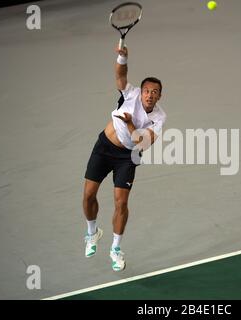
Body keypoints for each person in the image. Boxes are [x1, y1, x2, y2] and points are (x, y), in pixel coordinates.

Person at [82, 44, 166, 271]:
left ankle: (115, 249)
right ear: (142, 91)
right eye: (147, 90)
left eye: (155, 92)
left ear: (159, 96)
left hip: (127, 157)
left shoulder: (159, 117)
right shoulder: (131, 93)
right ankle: (92, 233)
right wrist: (122, 57)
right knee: (89, 195)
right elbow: (120, 76)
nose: (150, 95)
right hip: (104, 148)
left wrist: (129, 123)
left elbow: (143, 142)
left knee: (122, 202)